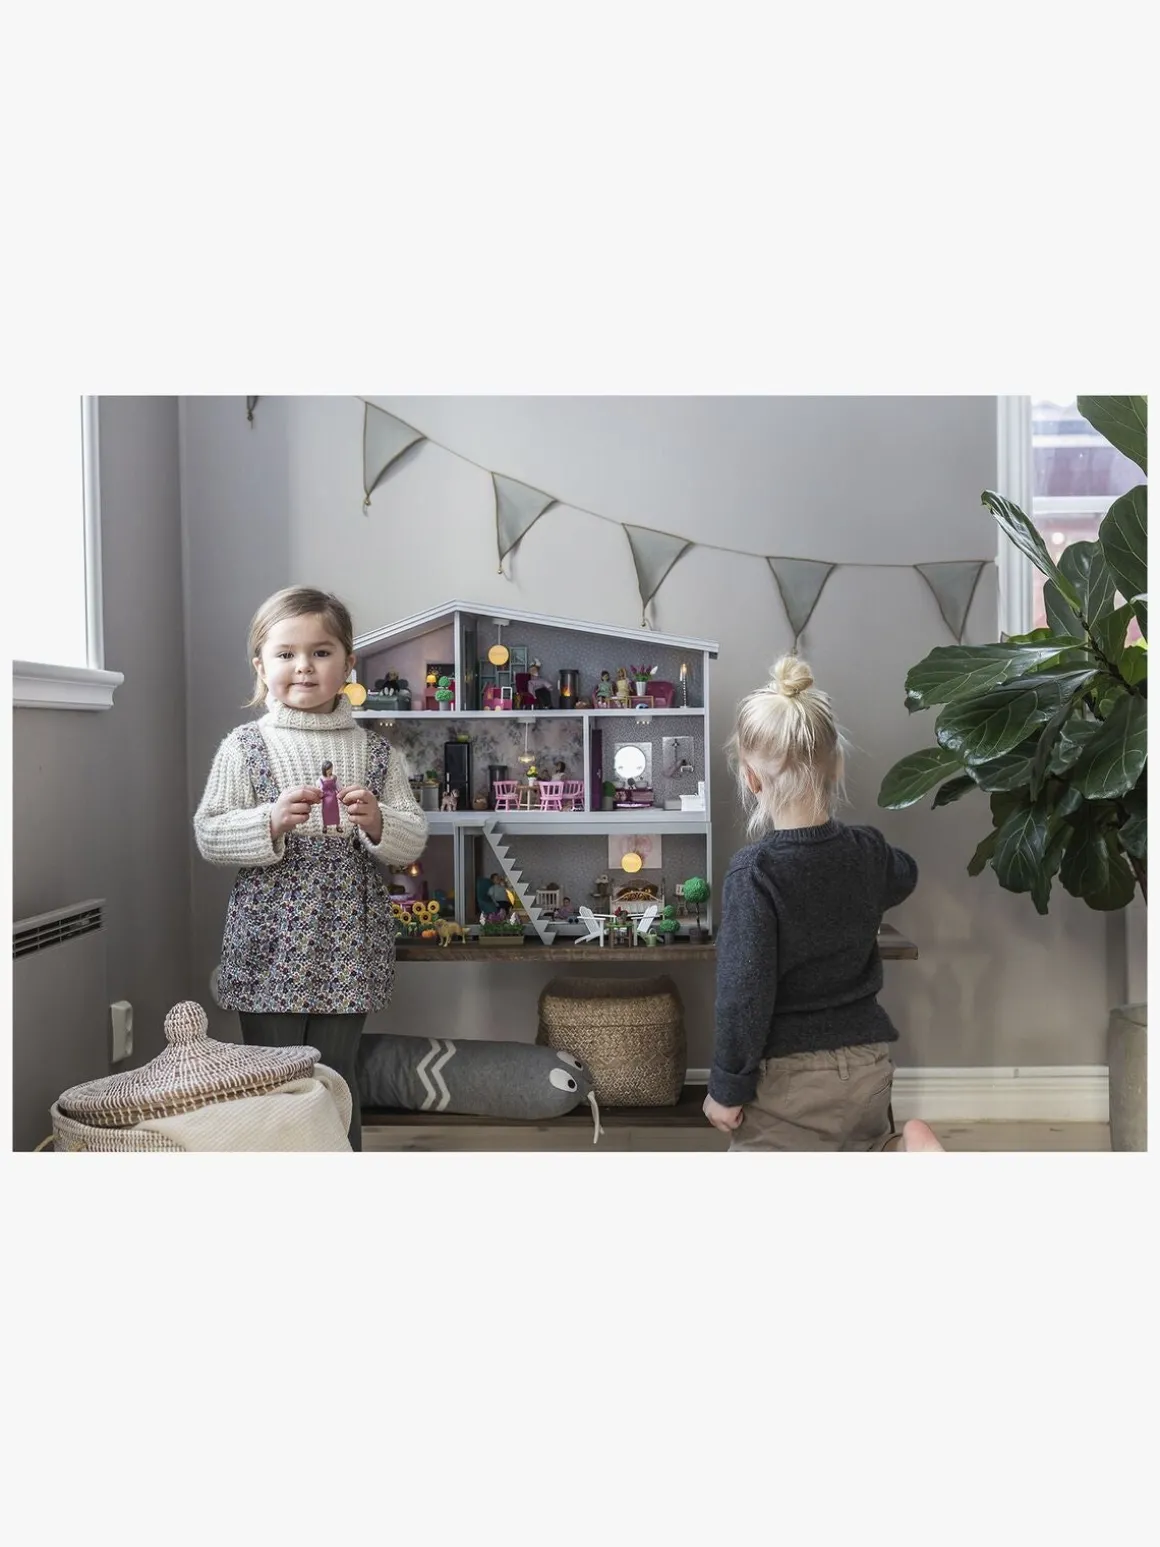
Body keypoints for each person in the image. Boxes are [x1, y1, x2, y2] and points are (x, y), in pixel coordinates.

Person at [194, 585, 428, 1150]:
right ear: (261, 665)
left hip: (349, 940)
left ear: (348, 664)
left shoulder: (378, 754)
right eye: (286, 654)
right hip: (269, 941)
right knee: (274, 1077)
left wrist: (379, 822)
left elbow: (413, 837)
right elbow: (209, 832)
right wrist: (269, 821)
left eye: (321, 652)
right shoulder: (245, 747)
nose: (303, 666)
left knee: (337, 1076)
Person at [702, 654, 944, 1153]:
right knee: (858, 1150)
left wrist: (726, 1088)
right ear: (837, 764)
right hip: (868, 1062)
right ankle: (901, 1153)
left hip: (789, 1077)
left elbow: (743, 994)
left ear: (750, 778)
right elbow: (906, 873)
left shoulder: (755, 873)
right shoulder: (867, 851)